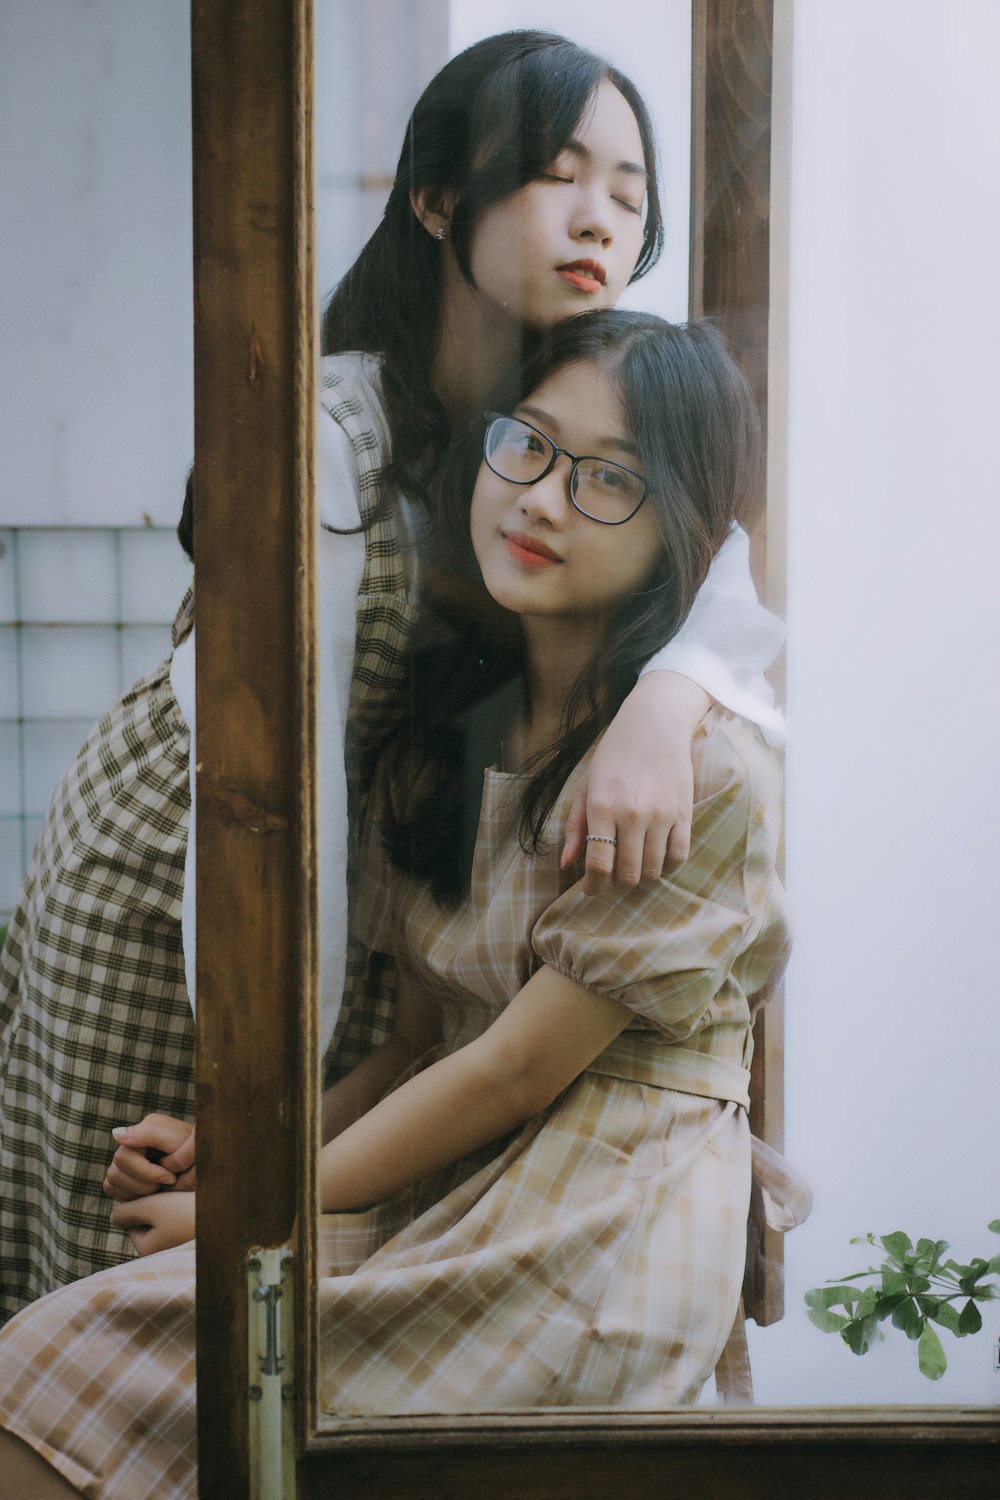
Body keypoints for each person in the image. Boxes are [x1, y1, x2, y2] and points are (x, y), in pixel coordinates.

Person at [0, 28, 782, 1324]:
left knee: (245, 1275)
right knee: (132, 1252)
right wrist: (264, 1094)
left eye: (630, 191)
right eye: (555, 171)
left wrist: (670, 698)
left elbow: (722, 557)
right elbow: (263, 771)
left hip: (346, 879)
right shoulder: (333, 424)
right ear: (436, 198)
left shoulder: (566, 406)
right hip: (187, 862)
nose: (598, 216)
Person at [0, 308, 788, 1498]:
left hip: (594, 1231)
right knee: (52, 1354)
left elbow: (515, 1070)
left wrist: (250, 1213)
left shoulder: (691, 773)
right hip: (455, 1187)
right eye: (527, 444)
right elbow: (426, 1042)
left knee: (76, 1364)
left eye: (608, 479)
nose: (540, 497)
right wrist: (244, 1153)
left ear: (682, 522)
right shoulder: (440, 743)